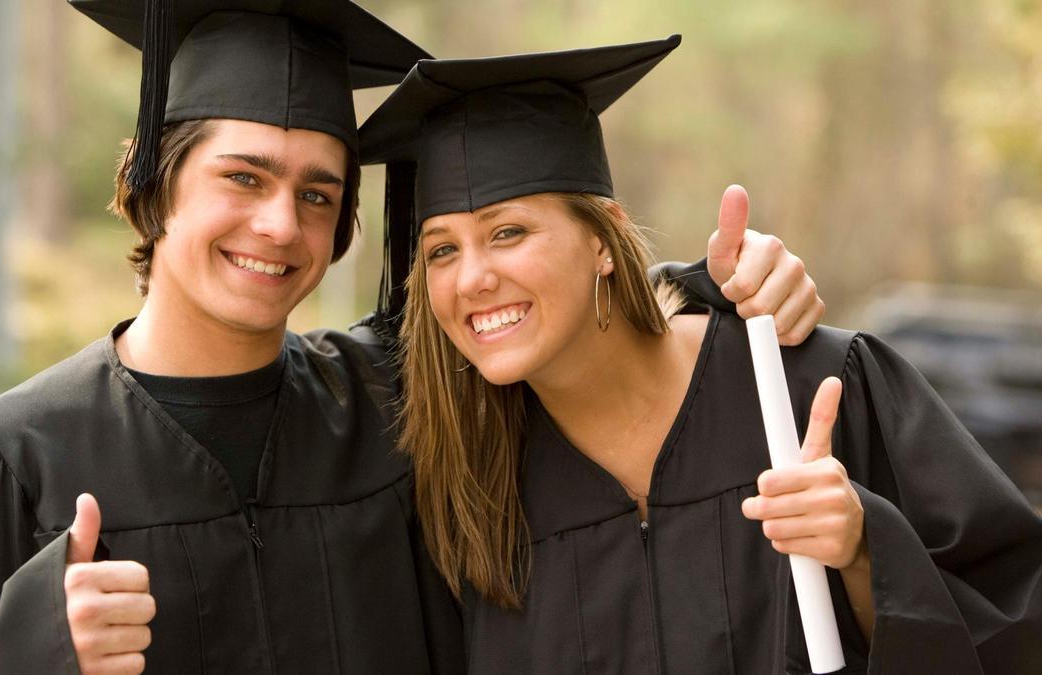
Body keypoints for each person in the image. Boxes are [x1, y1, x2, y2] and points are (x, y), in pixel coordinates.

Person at [0, 5, 824, 674]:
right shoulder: (5, 460)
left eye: (319, 193)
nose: (281, 224)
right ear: (151, 181)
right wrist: (8, 655)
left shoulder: (393, 405)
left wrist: (705, 290)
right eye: (244, 178)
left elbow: (542, 324)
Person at [363, 37, 1042, 673]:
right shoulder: (470, 482)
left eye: (507, 231)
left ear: (604, 239)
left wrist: (866, 548)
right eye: (442, 250)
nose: (473, 277)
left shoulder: (807, 386)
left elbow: (1013, 619)